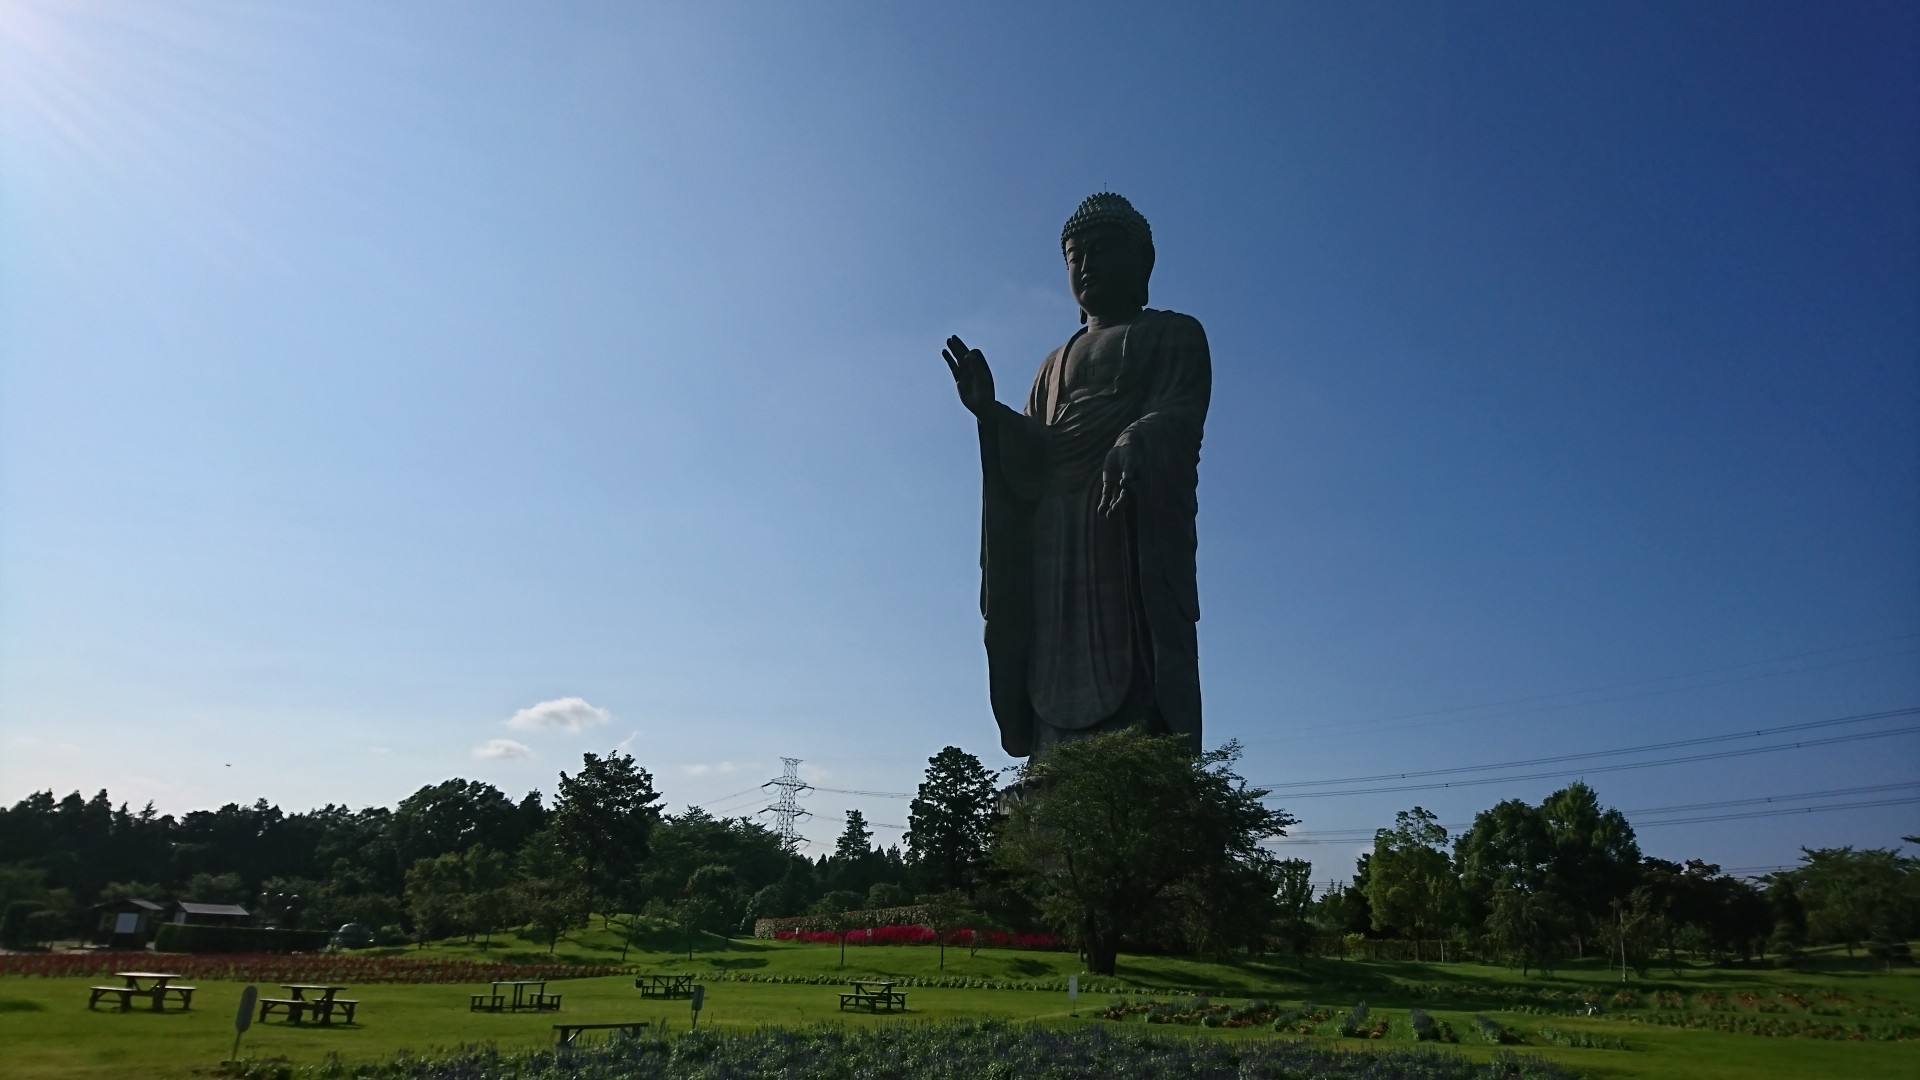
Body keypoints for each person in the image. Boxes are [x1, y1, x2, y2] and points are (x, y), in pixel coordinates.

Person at [943, 192, 1211, 758]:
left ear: (1142, 259)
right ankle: (1052, 752)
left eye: (1102, 249)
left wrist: (1136, 437)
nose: (1086, 263)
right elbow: (1035, 449)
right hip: (1055, 529)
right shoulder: (1051, 363)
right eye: (1076, 254)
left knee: (1130, 633)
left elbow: (1181, 412)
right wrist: (989, 412)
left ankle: (1138, 751)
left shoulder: (1174, 333)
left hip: (1123, 519)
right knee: (1049, 638)